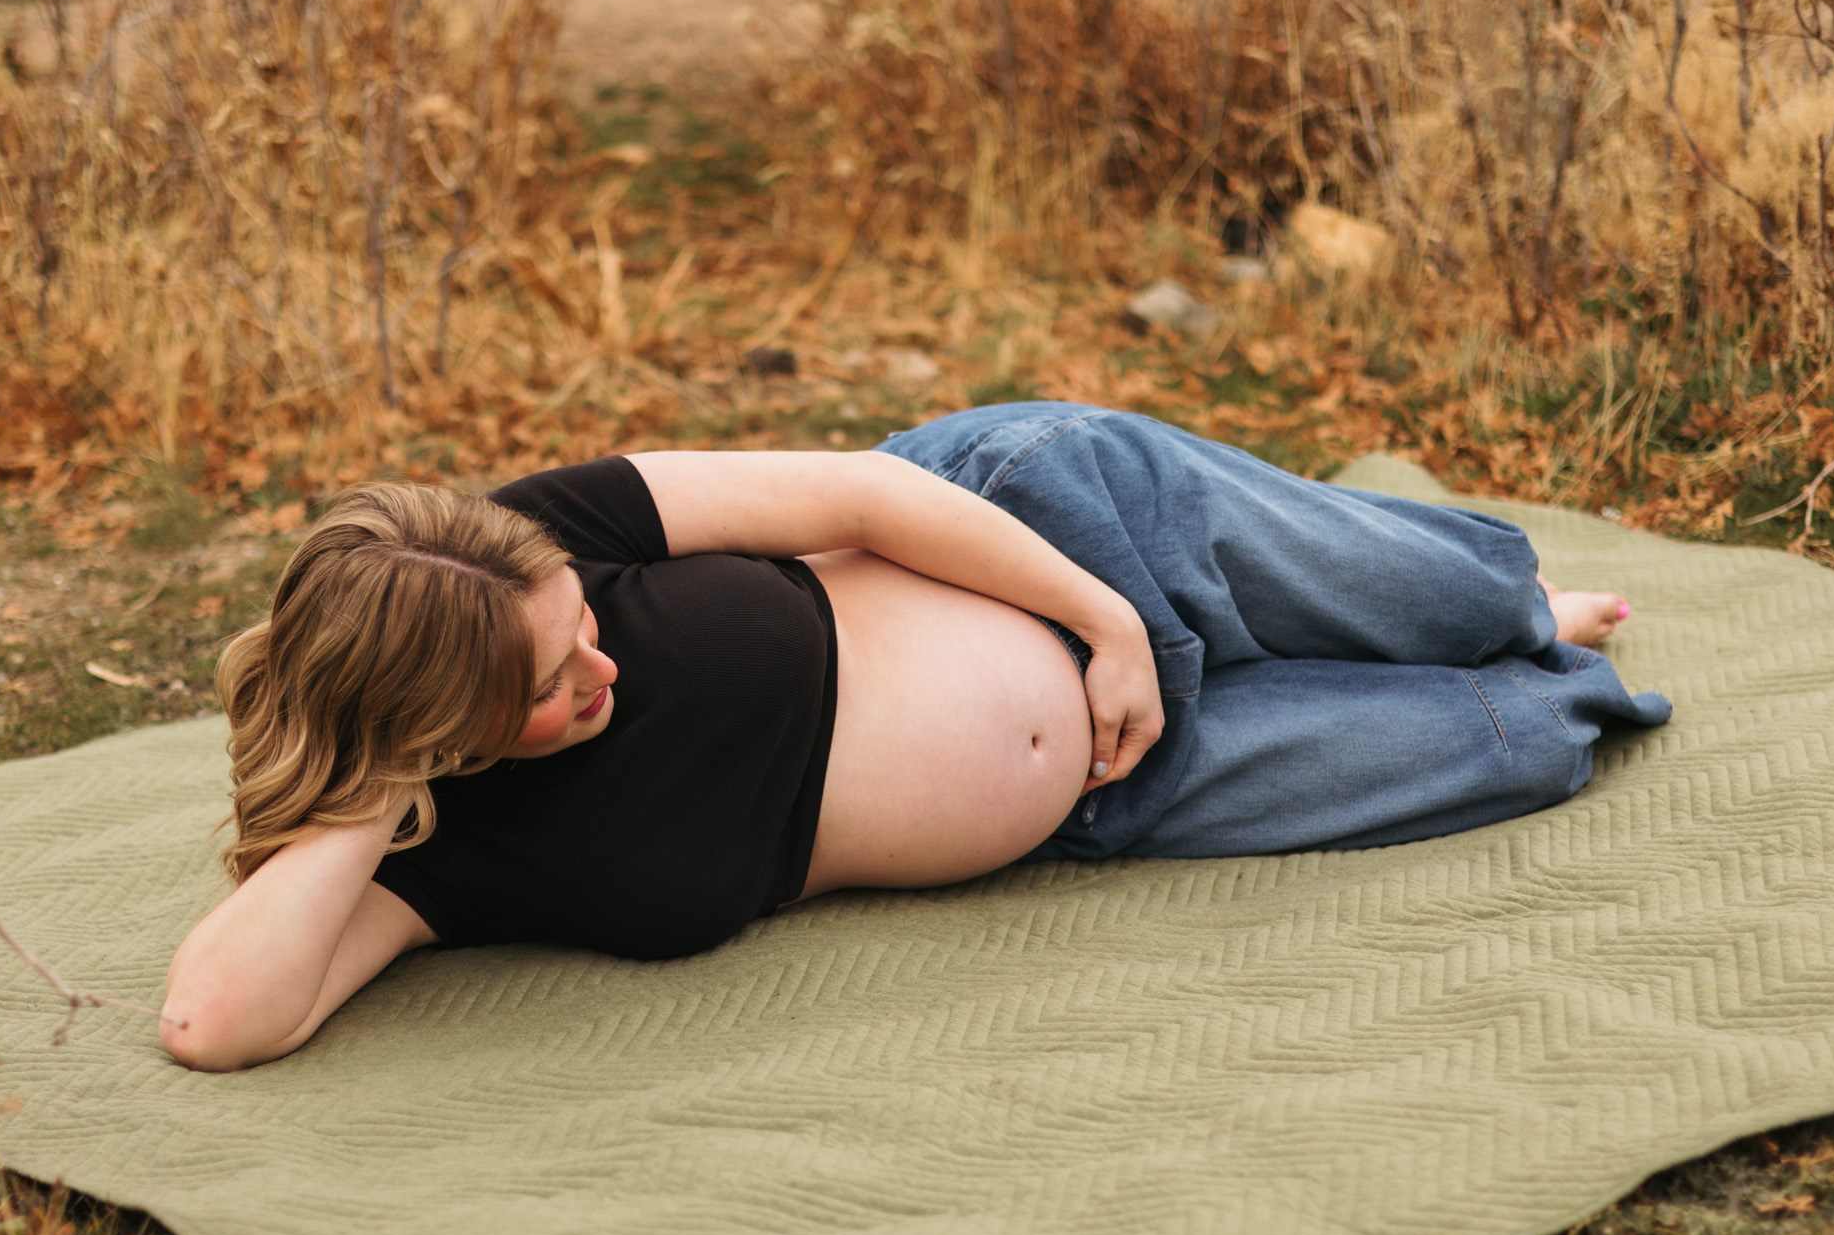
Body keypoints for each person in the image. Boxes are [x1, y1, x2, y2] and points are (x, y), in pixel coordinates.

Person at [164, 402, 1669, 1071]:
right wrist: (370, 782)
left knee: (1458, 599)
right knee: (1524, 743)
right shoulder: (440, 863)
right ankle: (1518, 651)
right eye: (553, 683)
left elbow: (861, 498)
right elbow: (217, 1022)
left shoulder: (542, 525)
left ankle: (1512, 592)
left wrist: (1112, 625)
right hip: (1105, 795)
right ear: (436, 737)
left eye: (586, 624)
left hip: (1042, 537)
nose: (600, 666)